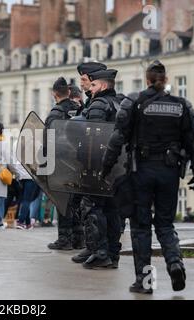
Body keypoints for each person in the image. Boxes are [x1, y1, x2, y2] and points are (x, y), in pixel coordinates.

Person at [102, 60, 194, 293]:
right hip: (169, 173)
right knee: (165, 224)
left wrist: (105, 167)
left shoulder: (134, 102)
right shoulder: (182, 105)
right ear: (165, 80)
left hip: (141, 172)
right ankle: (174, 262)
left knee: (141, 227)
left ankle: (145, 281)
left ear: (147, 79)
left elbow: (117, 137)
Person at [71, 68, 123, 269]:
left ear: (102, 85)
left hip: (97, 166)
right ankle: (112, 254)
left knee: (91, 207)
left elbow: (93, 137)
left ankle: (100, 252)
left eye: (93, 85)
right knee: (112, 210)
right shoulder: (120, 102)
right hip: (117, 166)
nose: (90, 89)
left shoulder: (99, 104)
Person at [45, 77, 84, 250]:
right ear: (69, 92)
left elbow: (48, 142)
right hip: (80, 162)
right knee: (77, 202)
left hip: (61, 162)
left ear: (54, 94)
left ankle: (64, 239)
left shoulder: (55, 113)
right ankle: (79, 238)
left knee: (63, 202)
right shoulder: (81, 110)